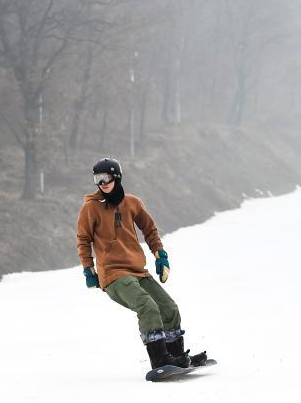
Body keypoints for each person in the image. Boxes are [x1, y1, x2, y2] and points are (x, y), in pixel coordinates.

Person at [76, 158, 208, 371]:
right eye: (97, 179)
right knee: (147, 307)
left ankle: (176, 357)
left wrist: (160, 255)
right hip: (113, 274)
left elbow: (150, 229)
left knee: (169, 308)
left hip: (137, 270)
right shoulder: (90, 209)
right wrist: (88, 269)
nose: (102, 183)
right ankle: (159, 360)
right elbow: (83, 240)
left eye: (106, 178)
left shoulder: (132, 203)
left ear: (116, 177)